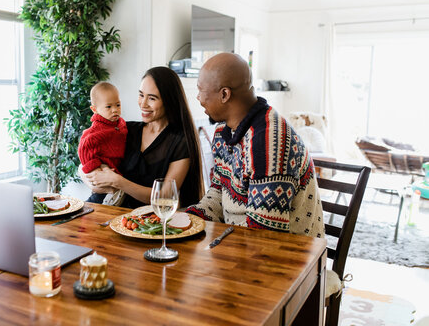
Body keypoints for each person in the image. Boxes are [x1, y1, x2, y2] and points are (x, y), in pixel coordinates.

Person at [185, 53, 324, 238]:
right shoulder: (223, 132)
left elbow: (264, 236)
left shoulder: (269, 144)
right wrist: (189, 221)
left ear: (224, 94)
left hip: (289, 258)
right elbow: (219, 191)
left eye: (200, 90)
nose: (198, 97)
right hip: (237, 243)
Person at [85, 66, 203, 209]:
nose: (143, 103)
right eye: (141, 95)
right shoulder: (124, 129)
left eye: (152, 98)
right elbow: (86, 160)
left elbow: (164, 197)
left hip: (143, 222)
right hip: (103, 210)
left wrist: (118, 182)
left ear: (169, 101)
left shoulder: (180, 142)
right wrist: (89, 176)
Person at [78, 82, 128, 204]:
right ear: (94, 109)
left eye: (118, 105)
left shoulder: (120, 123)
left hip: (117, 169)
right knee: (102, 199)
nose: (115, 110)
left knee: (119, 195)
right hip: (103, 168)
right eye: (108, 107)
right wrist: (95, 169)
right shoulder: (95, 132)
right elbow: (83, 149)